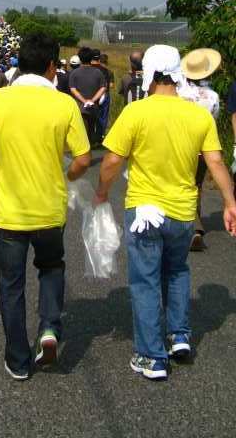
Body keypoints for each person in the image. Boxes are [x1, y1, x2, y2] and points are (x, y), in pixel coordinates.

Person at [96, 45, 236, 382]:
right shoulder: (199, 115)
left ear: (148, 72)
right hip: (183, 211)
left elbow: (113, 159)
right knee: (177, 271)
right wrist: (231, 203)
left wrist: (101, 193)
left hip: (145, 210)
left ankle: (151, 356)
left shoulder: (136, 113)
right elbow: (215, 161)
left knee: (145, 281)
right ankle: (179, 337)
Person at [0, 33, 91, 380]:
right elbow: (84, 159)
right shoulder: (64, 104)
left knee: (11, 287)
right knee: (51, 269)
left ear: (20, 63)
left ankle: (18, 360)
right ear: (52, 66)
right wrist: (66, 176)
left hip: (8, 215)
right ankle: (50, 329)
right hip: (50, 211)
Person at [179, 49, 221, 251]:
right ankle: (193, 225)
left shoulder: (178, 94)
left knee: (179, 183)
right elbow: (215, 120)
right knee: (196, 186)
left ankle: (185, 225)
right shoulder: (212, 97)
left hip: (179, 147)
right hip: (202, 149)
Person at [69, 47, 107, 145]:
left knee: (81, 132)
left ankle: (83, 154)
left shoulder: (74, 73)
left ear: (80, 58)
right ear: (91, 58)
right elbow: (103, 88)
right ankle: (89, 151)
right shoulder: (98, 72)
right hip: (94, 107)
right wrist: (92, 100)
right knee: (90, 129)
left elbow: (73, 89)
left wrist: (84, 100)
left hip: (79, 107)